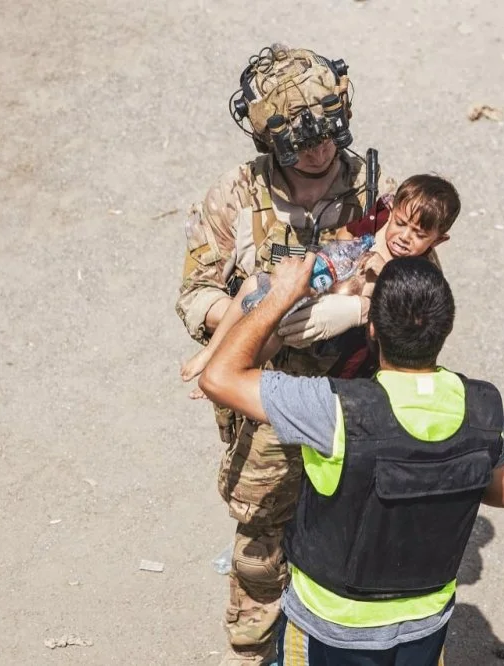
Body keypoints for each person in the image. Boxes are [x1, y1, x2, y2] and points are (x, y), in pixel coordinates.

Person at [176, 44, 392, 664]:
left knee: (352, 536)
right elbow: (195, 294)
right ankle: (252, 652)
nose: (320, 152)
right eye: (300, 142)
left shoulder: (377, 191)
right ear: (270, 138)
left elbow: (419, 299)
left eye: (328, 134)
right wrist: (256, 317)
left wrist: (357, 310)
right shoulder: (234, 198)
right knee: (259, 548)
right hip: (263, 399)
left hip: (354, 400)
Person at [199, 256, 504, 664]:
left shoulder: (334, 409)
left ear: (371, 330)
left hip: (331, 626)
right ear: (446, 329)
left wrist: (279, 295)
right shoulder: (486, 411)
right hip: (425, 622)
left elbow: (217, 378)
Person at [180, 174, 460, 390]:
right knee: (252, 287)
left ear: (438, 240)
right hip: (325, 285)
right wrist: (346, 254)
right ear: (394, 208)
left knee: (279, 327)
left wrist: (383, 276)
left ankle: (229, 374)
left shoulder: (418, 272)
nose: (404, 237)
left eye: (419, 234)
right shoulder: (381, 217)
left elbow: (406, 318)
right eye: (401, 223)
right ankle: (211, 353)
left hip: (344, 354)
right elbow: (344, 234)